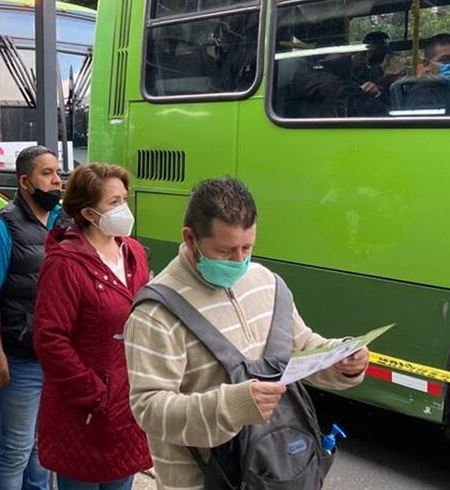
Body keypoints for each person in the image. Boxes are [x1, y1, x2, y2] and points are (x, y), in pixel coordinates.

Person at [124, 176, 369, 490]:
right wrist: (232, 405)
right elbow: (149, 409)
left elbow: (302, 346)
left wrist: (342, 360)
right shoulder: (155, 313)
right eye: (225, 251)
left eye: (247, 247)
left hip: (280, 471)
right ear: (190, 238)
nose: (240, 261)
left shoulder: (267, 282)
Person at [33, 163, 151, 489]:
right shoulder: (64, 264)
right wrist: (96, 393)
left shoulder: (134, 253)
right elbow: (50, 340)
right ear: (87, 212)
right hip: (83, 414)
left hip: (126, 412)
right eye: (114, 203)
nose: (124, 209)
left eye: (124, 199)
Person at [0, 146, 65, 490]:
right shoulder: (1, 227)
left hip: (53, 356)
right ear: (25, 182)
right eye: (47, 174)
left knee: (42, 448)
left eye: (58, 172)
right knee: (15, 449)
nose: (57, 180)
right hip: (19, 358)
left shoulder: (62, 221)